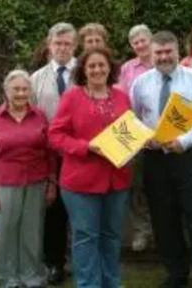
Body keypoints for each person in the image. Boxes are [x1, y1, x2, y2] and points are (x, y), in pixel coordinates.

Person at [131, 31, 192, 288]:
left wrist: (184, 141)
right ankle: (177, 274)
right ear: (151, 53)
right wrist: (145, 136)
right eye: (158, 52)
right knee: (163, 220)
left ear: (178, 51)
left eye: (168, 51)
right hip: (155, 160)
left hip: (189, 157)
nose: (164, 56)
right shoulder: (141, 83)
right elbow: (134, 118)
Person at [48, 47, 131, 288]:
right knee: (85, 238)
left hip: (117, 180)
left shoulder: (121, 97)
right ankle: (88, 284)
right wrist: (87, 147)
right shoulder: (72, 97)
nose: (97, 69)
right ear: (83, 70)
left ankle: (111, 282)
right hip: (80, 182)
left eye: (101, 65)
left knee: (111, 237)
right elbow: (55, 135)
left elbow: (128, 132)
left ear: (110, 68)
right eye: (91, 66)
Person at [0, 70, 56, 288]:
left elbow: (49, 153)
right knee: (6, 233)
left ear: (30, 91)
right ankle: (7, 279)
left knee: (32, 232)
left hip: (37, 182)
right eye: (16, 89)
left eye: (25, 89)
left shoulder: (40, 116)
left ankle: (32, 277)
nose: (21, 93)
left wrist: (51, 184)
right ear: (6, 91)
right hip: (5, 184)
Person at [31, 22, 77, 286]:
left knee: (82, 210)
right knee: (54, 212)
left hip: (81, 151)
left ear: (74, 46)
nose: (62, 48)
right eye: (58, 43)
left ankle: (82, 261)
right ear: (49, 45)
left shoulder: (84, 71)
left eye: (67, 44)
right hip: (51, 156)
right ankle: (55, 263)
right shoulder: (36, 78)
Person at [118, 24, 154, 252]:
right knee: (136, 186)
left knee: (161, 186)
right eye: (135, 42)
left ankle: (166, 231)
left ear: (151, 40)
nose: (140, 45)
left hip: (164, 135)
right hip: (135, 136)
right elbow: (121, 101)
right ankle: (142, 231)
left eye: (143, 40)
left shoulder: (164, 61)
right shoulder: (127, 69)